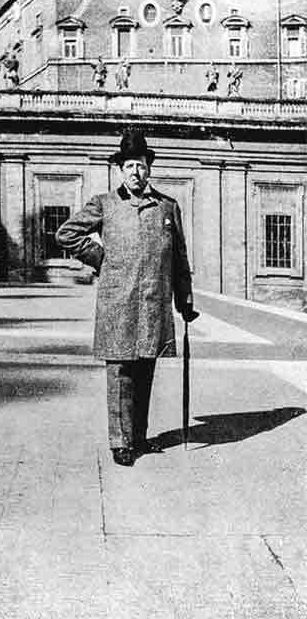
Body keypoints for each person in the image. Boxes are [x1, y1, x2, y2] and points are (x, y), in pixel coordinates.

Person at [55, 130, 199, 466]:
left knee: (145, 369)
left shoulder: (168, 207)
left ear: (150, 169)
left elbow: (179, 259)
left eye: (142, 166)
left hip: (152, 304)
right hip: (117, 305)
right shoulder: (104, 205)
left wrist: (185, 301)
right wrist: (99, 258)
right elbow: (67, 234)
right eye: (130, 166)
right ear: (121, 169)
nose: (136, 172)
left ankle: (140, 437)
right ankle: (120, 443)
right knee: (121, 372)